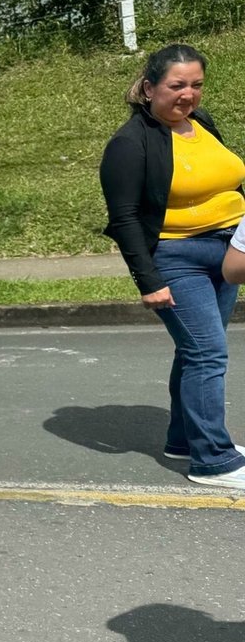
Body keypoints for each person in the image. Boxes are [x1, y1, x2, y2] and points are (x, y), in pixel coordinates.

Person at [100, 43, 245, 488]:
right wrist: (149, 281)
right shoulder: (129, 143)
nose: (188, 95)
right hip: (175, 257)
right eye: (176, 85)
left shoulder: (201, 124)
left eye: (196, 85)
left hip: (224, 254)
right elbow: (124, 218)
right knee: (207, 354)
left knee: (196, 351)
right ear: (149, 88)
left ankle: (184, 440)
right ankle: (213, 461)